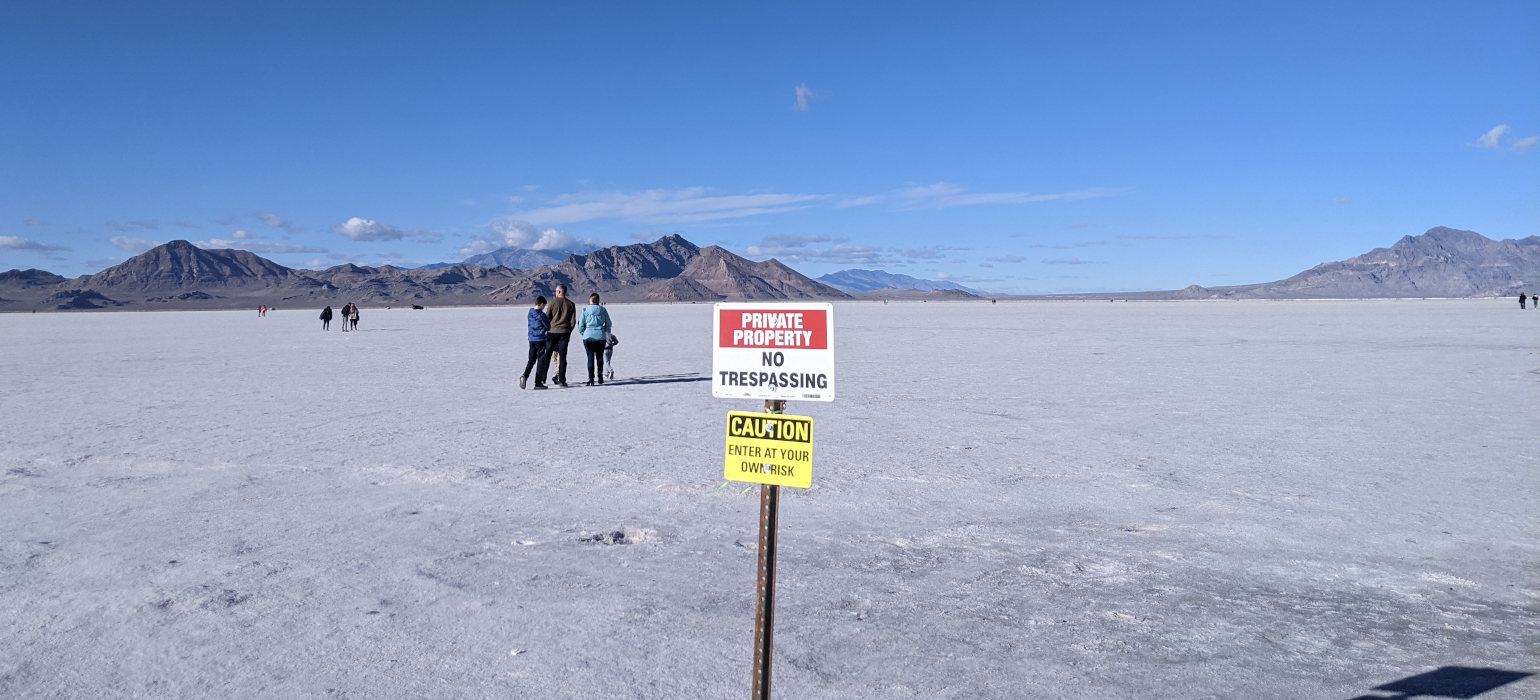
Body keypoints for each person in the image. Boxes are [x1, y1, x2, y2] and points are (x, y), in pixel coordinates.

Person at [544, 284, 577, 387]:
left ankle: (542, 379)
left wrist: (548, 329)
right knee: (563, 357)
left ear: (558, 292)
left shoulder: (552, 303)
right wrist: (568, 331)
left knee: (547, 356)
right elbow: (573, 321)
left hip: (552, 332)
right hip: (564, 333)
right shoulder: (571, 304)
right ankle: (562, 380)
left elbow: (547, 318)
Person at [577, 293, 612, 386]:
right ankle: (600, 377)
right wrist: (604, 331)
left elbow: (580, 324)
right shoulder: (603, 310)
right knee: (600, 358)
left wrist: (583, 332)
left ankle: (591, 379)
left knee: (590, 357)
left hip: (588, 337)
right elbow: (608, 323)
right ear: (598, 301)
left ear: (590, 300)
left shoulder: (585, 311)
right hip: (600, 337)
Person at [520, 296, 552, 390]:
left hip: (531, 339)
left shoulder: (530, 313)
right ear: (541, 304)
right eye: (544, 305)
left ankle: (525, 376)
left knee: (531, 360)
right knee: (541, 361)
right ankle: (538, 382)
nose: (544, 307)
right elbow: (548, 327)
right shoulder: (542, 315)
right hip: (540, 339)